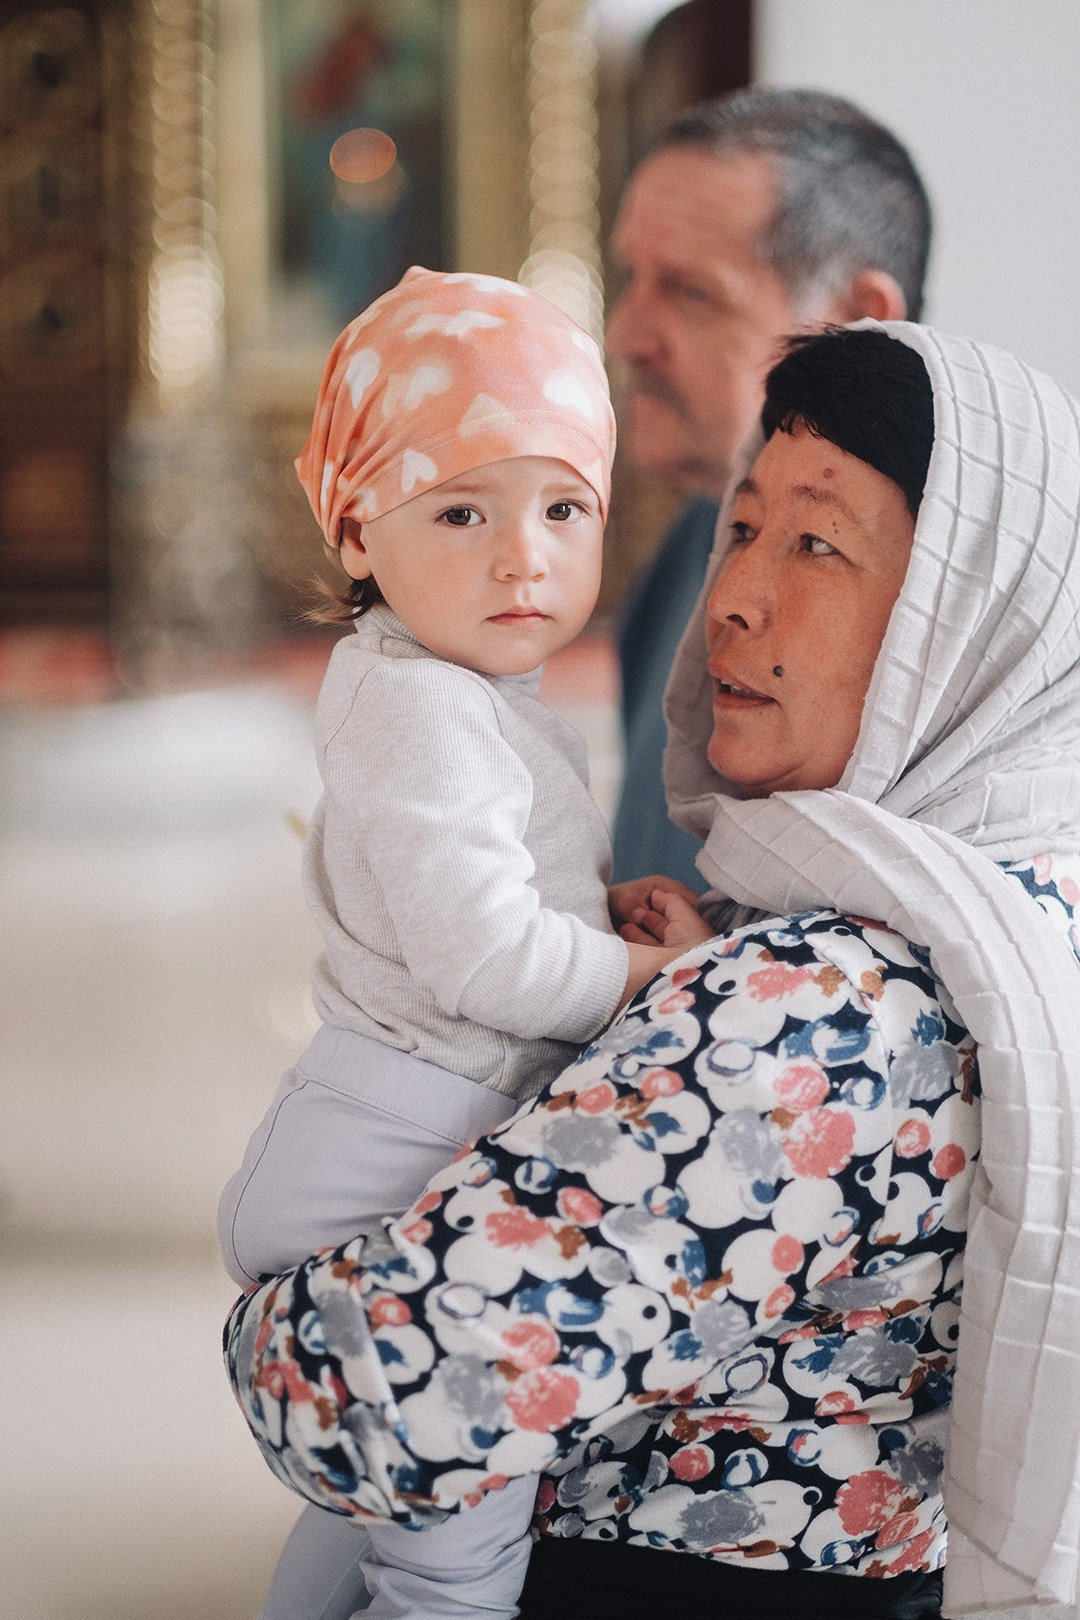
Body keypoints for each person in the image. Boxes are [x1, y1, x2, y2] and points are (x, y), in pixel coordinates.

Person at [224, 320, 1080, 1619]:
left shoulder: (812, 1007)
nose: (732, 595)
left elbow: (365, 1405)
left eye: (817, 543)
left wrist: (274, 1297)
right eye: (743, 529)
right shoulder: (1019, 902)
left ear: (968, 618)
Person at [218, 266, 708, 1620]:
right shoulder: (421, 709)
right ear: (358, 527)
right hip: (393, 1142)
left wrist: (604, 912)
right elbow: (486, 965)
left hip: (404, 1121)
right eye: (462, 511)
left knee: (390, 1483)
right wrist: (640, 979)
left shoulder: (454, 690)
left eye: (563, 508)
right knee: (460, 1546)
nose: (523, 557)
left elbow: (489, 891)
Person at [607, 86, 932, 892]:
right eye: (631, 277)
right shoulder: (693, 534)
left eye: (690, 291)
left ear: (854, 317)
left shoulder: (935, 633)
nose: (624, 335)